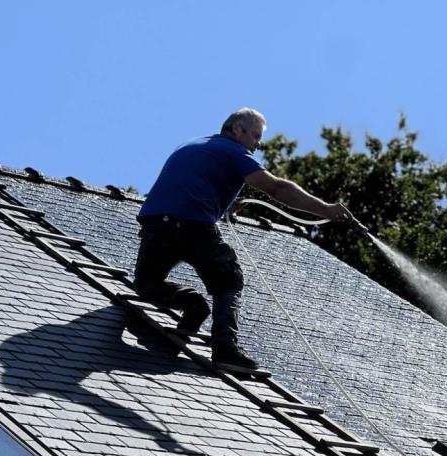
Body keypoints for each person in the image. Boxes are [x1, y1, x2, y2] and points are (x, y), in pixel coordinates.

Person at [135, 108, 354, 371]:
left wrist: (225, 206)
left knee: (147, 284)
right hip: (192, 227)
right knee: (229, 280)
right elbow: (277, 187)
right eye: (255, 135)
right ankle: (226, 349)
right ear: (237, 128)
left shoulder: (194, 146)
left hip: (155, 226)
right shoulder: (234, 152)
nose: (257, 144)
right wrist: (326, 210)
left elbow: (190, 186)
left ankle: (192, 305)